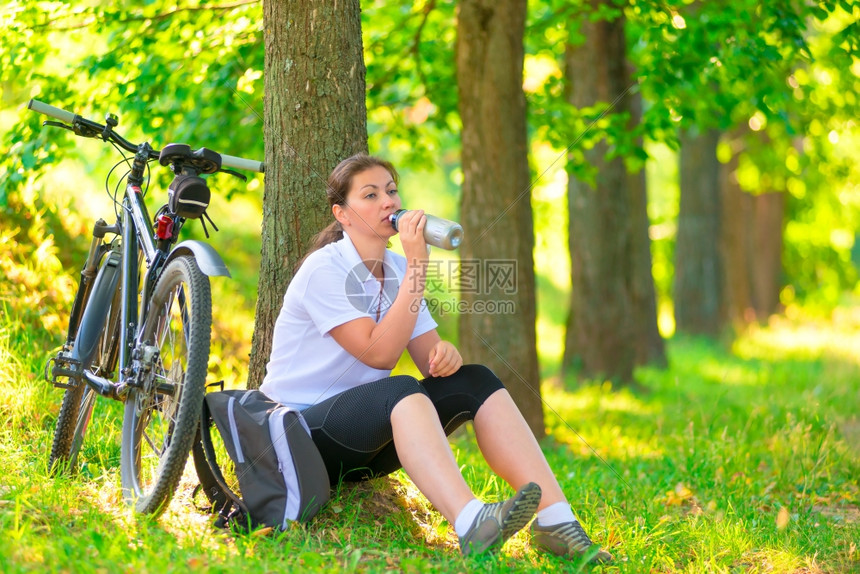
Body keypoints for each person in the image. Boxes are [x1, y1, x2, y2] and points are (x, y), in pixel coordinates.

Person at [259, 153, 611, 562]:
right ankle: (471, 521)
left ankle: (557, 522)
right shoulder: (325, 269)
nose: (388, 201)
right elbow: (379, 354)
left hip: (362, 436)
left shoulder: (394, 267)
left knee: (474, 380)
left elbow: (430, 356)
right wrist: (419, 265)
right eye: (370, 194)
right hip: (298, 435)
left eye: (391, 190)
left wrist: (447, 355)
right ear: (343, 214)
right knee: (399, 389)